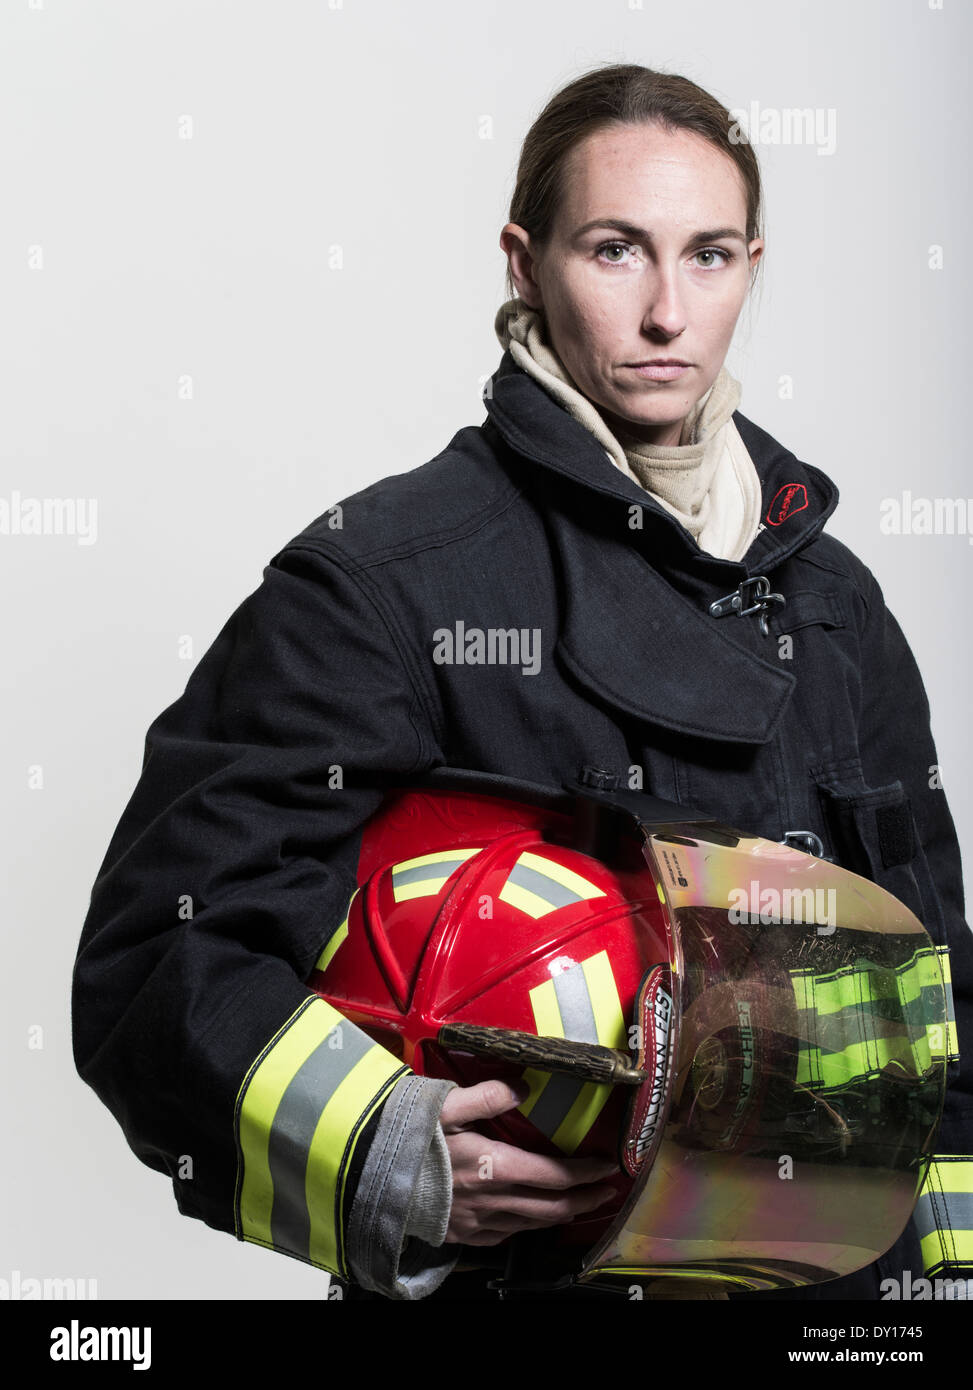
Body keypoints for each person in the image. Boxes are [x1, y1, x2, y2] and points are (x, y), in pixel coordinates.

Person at [72, 62, 973, 1303]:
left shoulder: (835, 607)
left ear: (751, 268)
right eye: (616, 251)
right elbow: (154, 958)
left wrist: (940, 1298)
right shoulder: (382, 583)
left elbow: (940, 1012)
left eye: (707, 256)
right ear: (523, 260)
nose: (667, 313)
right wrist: (389, 1149)